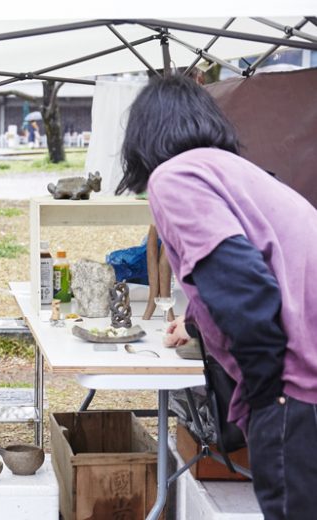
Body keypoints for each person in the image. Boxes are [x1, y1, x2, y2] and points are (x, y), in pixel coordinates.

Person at [116, 74, 317, 519]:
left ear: (142, 137)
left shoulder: (174, 177)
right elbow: (261, 266)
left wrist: (266, 398)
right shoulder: (236, 171)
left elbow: (246, 286)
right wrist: (194, 323)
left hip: (298, 390)